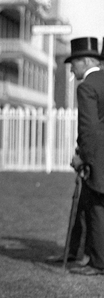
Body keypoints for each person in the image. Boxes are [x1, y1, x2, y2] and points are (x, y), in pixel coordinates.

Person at [63, 37, 104, 276]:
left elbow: (88, 128)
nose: (71, 68)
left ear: (87, 60)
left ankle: (98, 263)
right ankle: (78, 252)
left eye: (74, 63)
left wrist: (82, 158)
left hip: (97, 156)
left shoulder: (87, 86)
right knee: (87, 205)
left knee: (96, 208)